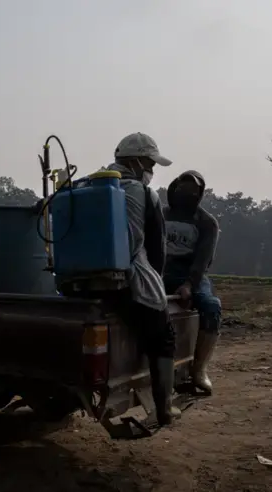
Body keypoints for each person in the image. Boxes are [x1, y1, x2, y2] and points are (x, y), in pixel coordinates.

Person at [106, 132, 180, 426]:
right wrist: (156, 282)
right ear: (136, 162)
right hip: (127, 280)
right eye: (150, 163)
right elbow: (152, 245)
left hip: (79, 282)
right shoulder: (142, 192)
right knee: (163, 336)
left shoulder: (90, 185)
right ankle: (165, 408)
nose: (151, 170)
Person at [163, 170, 221, 395]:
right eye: (182, 188)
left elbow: (203, 259)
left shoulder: (207, 223)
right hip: (159, 271)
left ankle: (199, 370)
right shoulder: (160, 215)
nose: (186, 193)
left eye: (193, 190)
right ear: (174, 189)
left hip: (188, 273)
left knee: (211, 306)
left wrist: (189, 284)